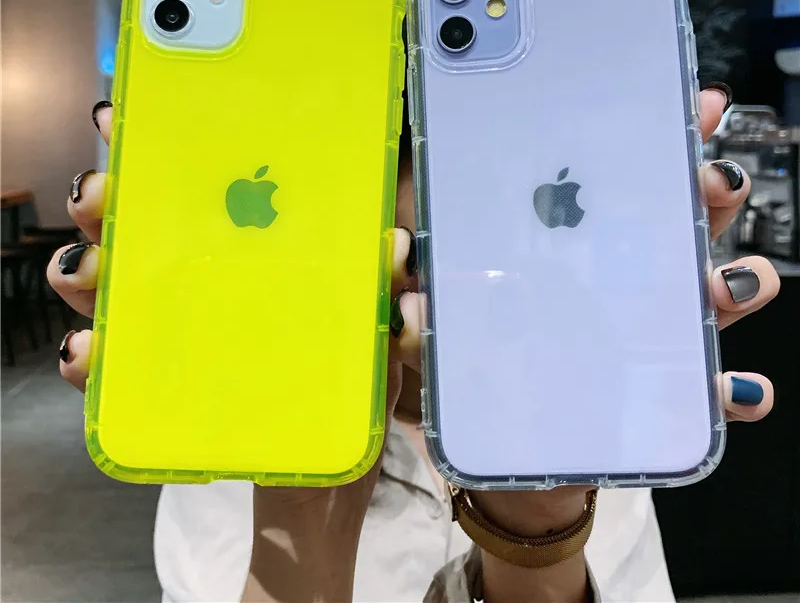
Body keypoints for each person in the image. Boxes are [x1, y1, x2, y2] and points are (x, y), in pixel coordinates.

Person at [50, 84, 779, 602]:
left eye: (472, 267)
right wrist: (304, 524)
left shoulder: (575, 417)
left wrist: (535, 529)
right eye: (398, 278)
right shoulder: (242, 433)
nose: (422, 319)